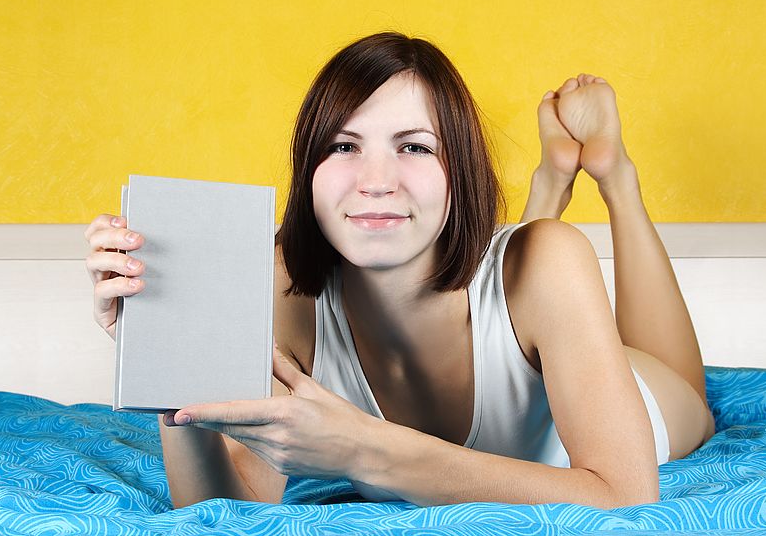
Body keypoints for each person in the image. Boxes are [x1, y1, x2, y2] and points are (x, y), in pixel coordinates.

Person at [84, 32, 715, 509]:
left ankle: (613, 176)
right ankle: (547, 183)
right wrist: (171, 362)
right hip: (522, 321)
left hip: (624, 387)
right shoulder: (286, 284)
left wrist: (363, 450)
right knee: (520, 268)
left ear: (459, 169)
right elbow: (229, 507)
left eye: (413, 146)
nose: (375, 181)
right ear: (309, 173)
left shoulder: (554, 259)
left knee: (682, 384)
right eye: (344, 146)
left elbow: (627, 497)